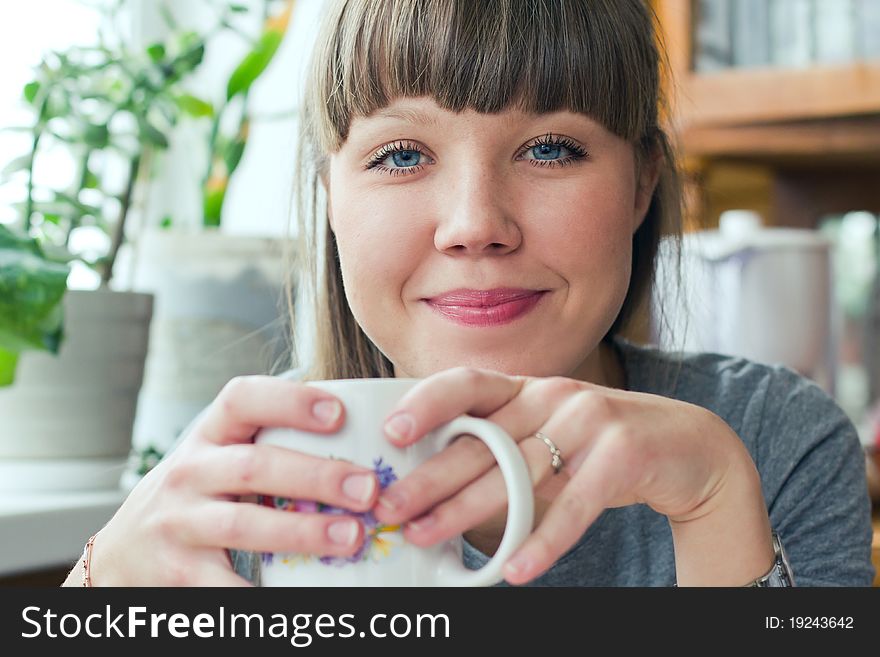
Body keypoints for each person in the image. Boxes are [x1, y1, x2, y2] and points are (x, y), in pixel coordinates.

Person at [64, 0, 874, 587]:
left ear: (640, 185)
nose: (475, 224)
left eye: (551, 148)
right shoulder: (243, 494)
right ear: (330, 199)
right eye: (402, 155)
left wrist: (716, 505)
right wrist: (99, 589)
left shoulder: (776, 445)